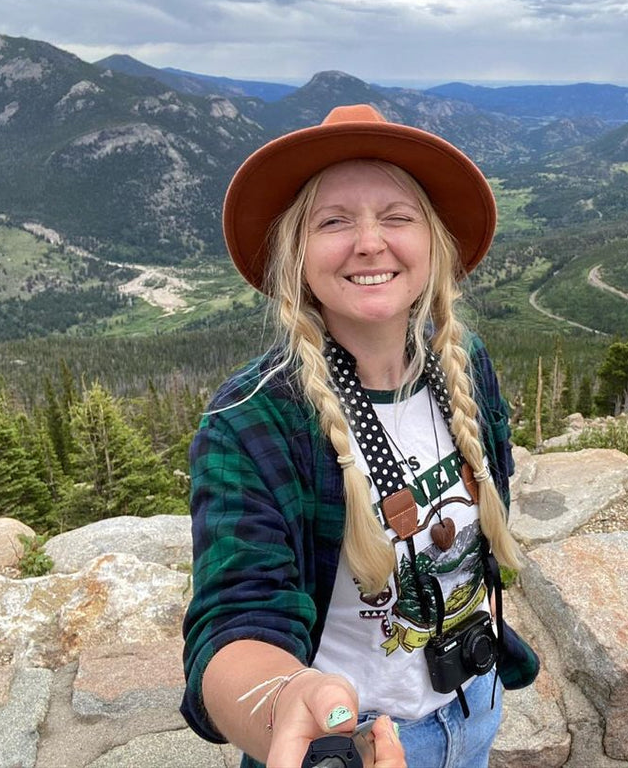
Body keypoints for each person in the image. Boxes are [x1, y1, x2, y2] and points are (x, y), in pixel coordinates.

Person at [180, 104, 539, 768]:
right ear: (297, 256)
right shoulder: (254, 420)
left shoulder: (465, 365)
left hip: (475, 701)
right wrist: (285, 701)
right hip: (358, 743)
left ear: (433, 245)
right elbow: (234, 618)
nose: (369, 242)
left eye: (397, 217)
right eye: (334, 221)